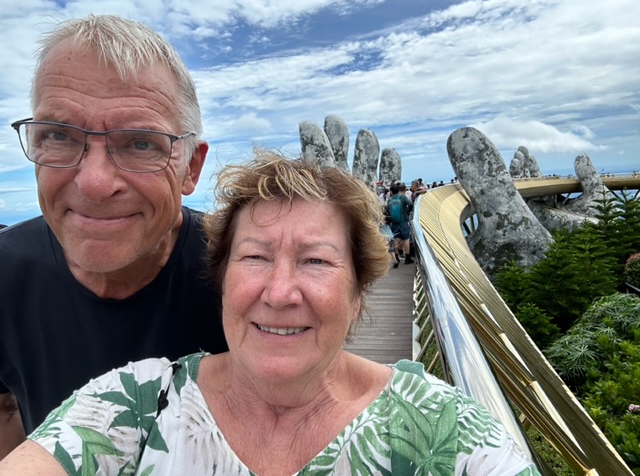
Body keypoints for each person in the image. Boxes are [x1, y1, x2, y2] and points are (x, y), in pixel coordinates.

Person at [0, 151, 541, 475]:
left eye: (315, 261)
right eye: (255, 258)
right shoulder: (135, 406)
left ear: (358, 294)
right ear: (223, 282)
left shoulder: (445, 430)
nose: (280, 292)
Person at [0, 15, 228, 459]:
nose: (95, 183)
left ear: (191, 168)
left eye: (140, 143)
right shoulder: (6, 274)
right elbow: (6, 410)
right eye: (59, 136)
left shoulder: (243, 276)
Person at [387, 182, 415, 264]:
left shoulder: (390, 199)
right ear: (398, 190)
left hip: (394, 221)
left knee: (396, 238)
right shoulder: (402, 197)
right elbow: (410, 204)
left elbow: (388, 209)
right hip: (403, 220)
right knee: (406, 239)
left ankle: (396, 256)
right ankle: (407, 257)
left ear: (391, 191)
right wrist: (407, 211)